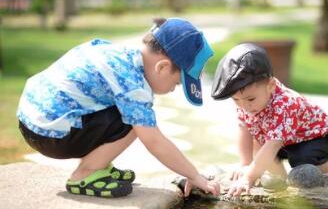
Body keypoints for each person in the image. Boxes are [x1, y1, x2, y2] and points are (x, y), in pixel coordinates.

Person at [17, 17, 220, 198]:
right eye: (176, 84)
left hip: (32, 120)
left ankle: (99, 165)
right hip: (50, 134)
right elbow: (154, 142)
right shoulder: (132, 84)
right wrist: (194, 175)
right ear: (162, 67)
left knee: (130, 113)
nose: (173, 90)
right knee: (137, 122)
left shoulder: (120, 55)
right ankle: (85, 174)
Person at [211, 43, 328, 197]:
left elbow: (273, 145)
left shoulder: (285, 104)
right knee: (258, 146)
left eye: (250, 99)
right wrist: (245, 164)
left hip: (318, 137)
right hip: (288, 139)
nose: (244, 106)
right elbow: (244, 129)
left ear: (271, 86)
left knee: (300, 159)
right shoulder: (246, 102)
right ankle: (281, 183)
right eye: (236, 100)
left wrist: (249, 177)